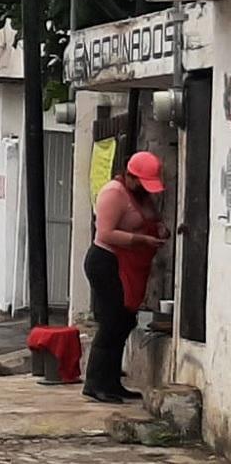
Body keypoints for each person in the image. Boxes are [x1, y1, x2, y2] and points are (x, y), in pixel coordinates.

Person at [83, 151, 169, 404]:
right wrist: (141, 239)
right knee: (111, 321)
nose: (145, 189)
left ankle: (112, 381)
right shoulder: (114, 193)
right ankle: (96, 383)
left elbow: (151, 220)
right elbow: (106, 233)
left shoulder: (142, 197)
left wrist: (159, 229)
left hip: (129, 264)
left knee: (124, 321)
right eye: (142, 183)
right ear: (130, 176)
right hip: (107, 262)